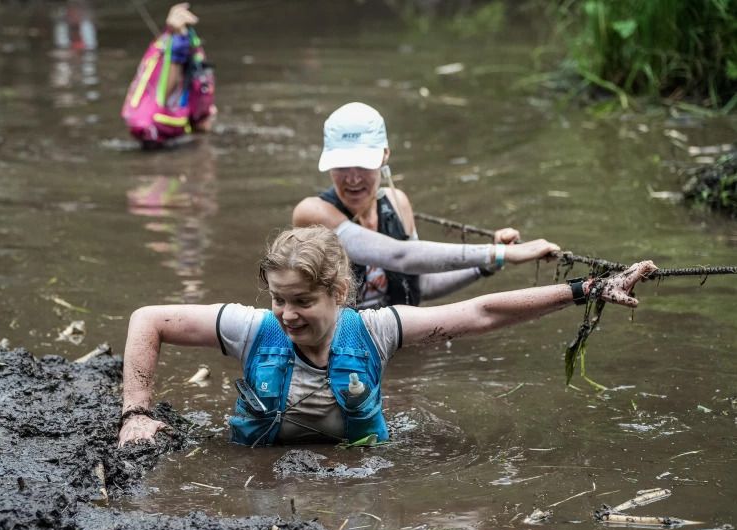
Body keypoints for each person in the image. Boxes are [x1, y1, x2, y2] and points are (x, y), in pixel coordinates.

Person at [118, 225, 656, 448]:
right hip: (259, 472)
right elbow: (149, 319)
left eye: (302, 302)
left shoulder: (377, 330)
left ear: (338, 292)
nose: (285, 314)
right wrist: (136, 414)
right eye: (279, 299)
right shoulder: (250, 328)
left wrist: (587, 288)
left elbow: (482, 312)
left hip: (359, 472)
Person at [293, 102, 561, 309]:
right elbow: (401, 256)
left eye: (363, 164)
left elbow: (419, 283)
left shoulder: (398, 203)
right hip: (342, 350)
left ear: (384, 155)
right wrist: (498, 253)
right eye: (341, 166)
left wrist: (488, 265)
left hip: (393, 339)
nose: (352, 178)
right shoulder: (312, 213)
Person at [121, 3, 216, 146]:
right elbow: (168, 84)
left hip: (169, 135)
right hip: (167, 137)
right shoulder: (163, 98)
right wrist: (178, 37)